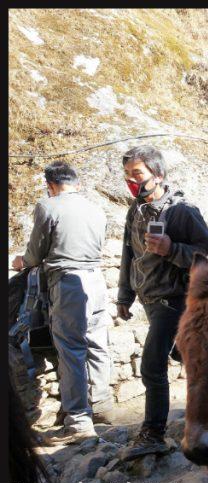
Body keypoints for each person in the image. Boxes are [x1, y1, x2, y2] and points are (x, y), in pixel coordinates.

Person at [115, 146, 208, 460]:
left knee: (150, 366)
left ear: (158, 175)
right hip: (148, 299)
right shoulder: (135, 209)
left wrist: (172, 249)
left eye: (138, 174)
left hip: (174, 299)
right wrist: (124, 296)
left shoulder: (182, 210)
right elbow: (128, 256)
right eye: (128, 175)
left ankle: (153, 433)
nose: (132, 181)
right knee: (188, 359)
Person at [13, 161, 113, 444]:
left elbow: (37, 250)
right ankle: (102, 408)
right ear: (77, 183)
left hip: (68, 282)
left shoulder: (49, 206)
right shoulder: (95, 208)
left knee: (70, 349)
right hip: (96, 279)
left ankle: (79, 421)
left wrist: (23, 262)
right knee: (97, 344)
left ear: (51, 185)